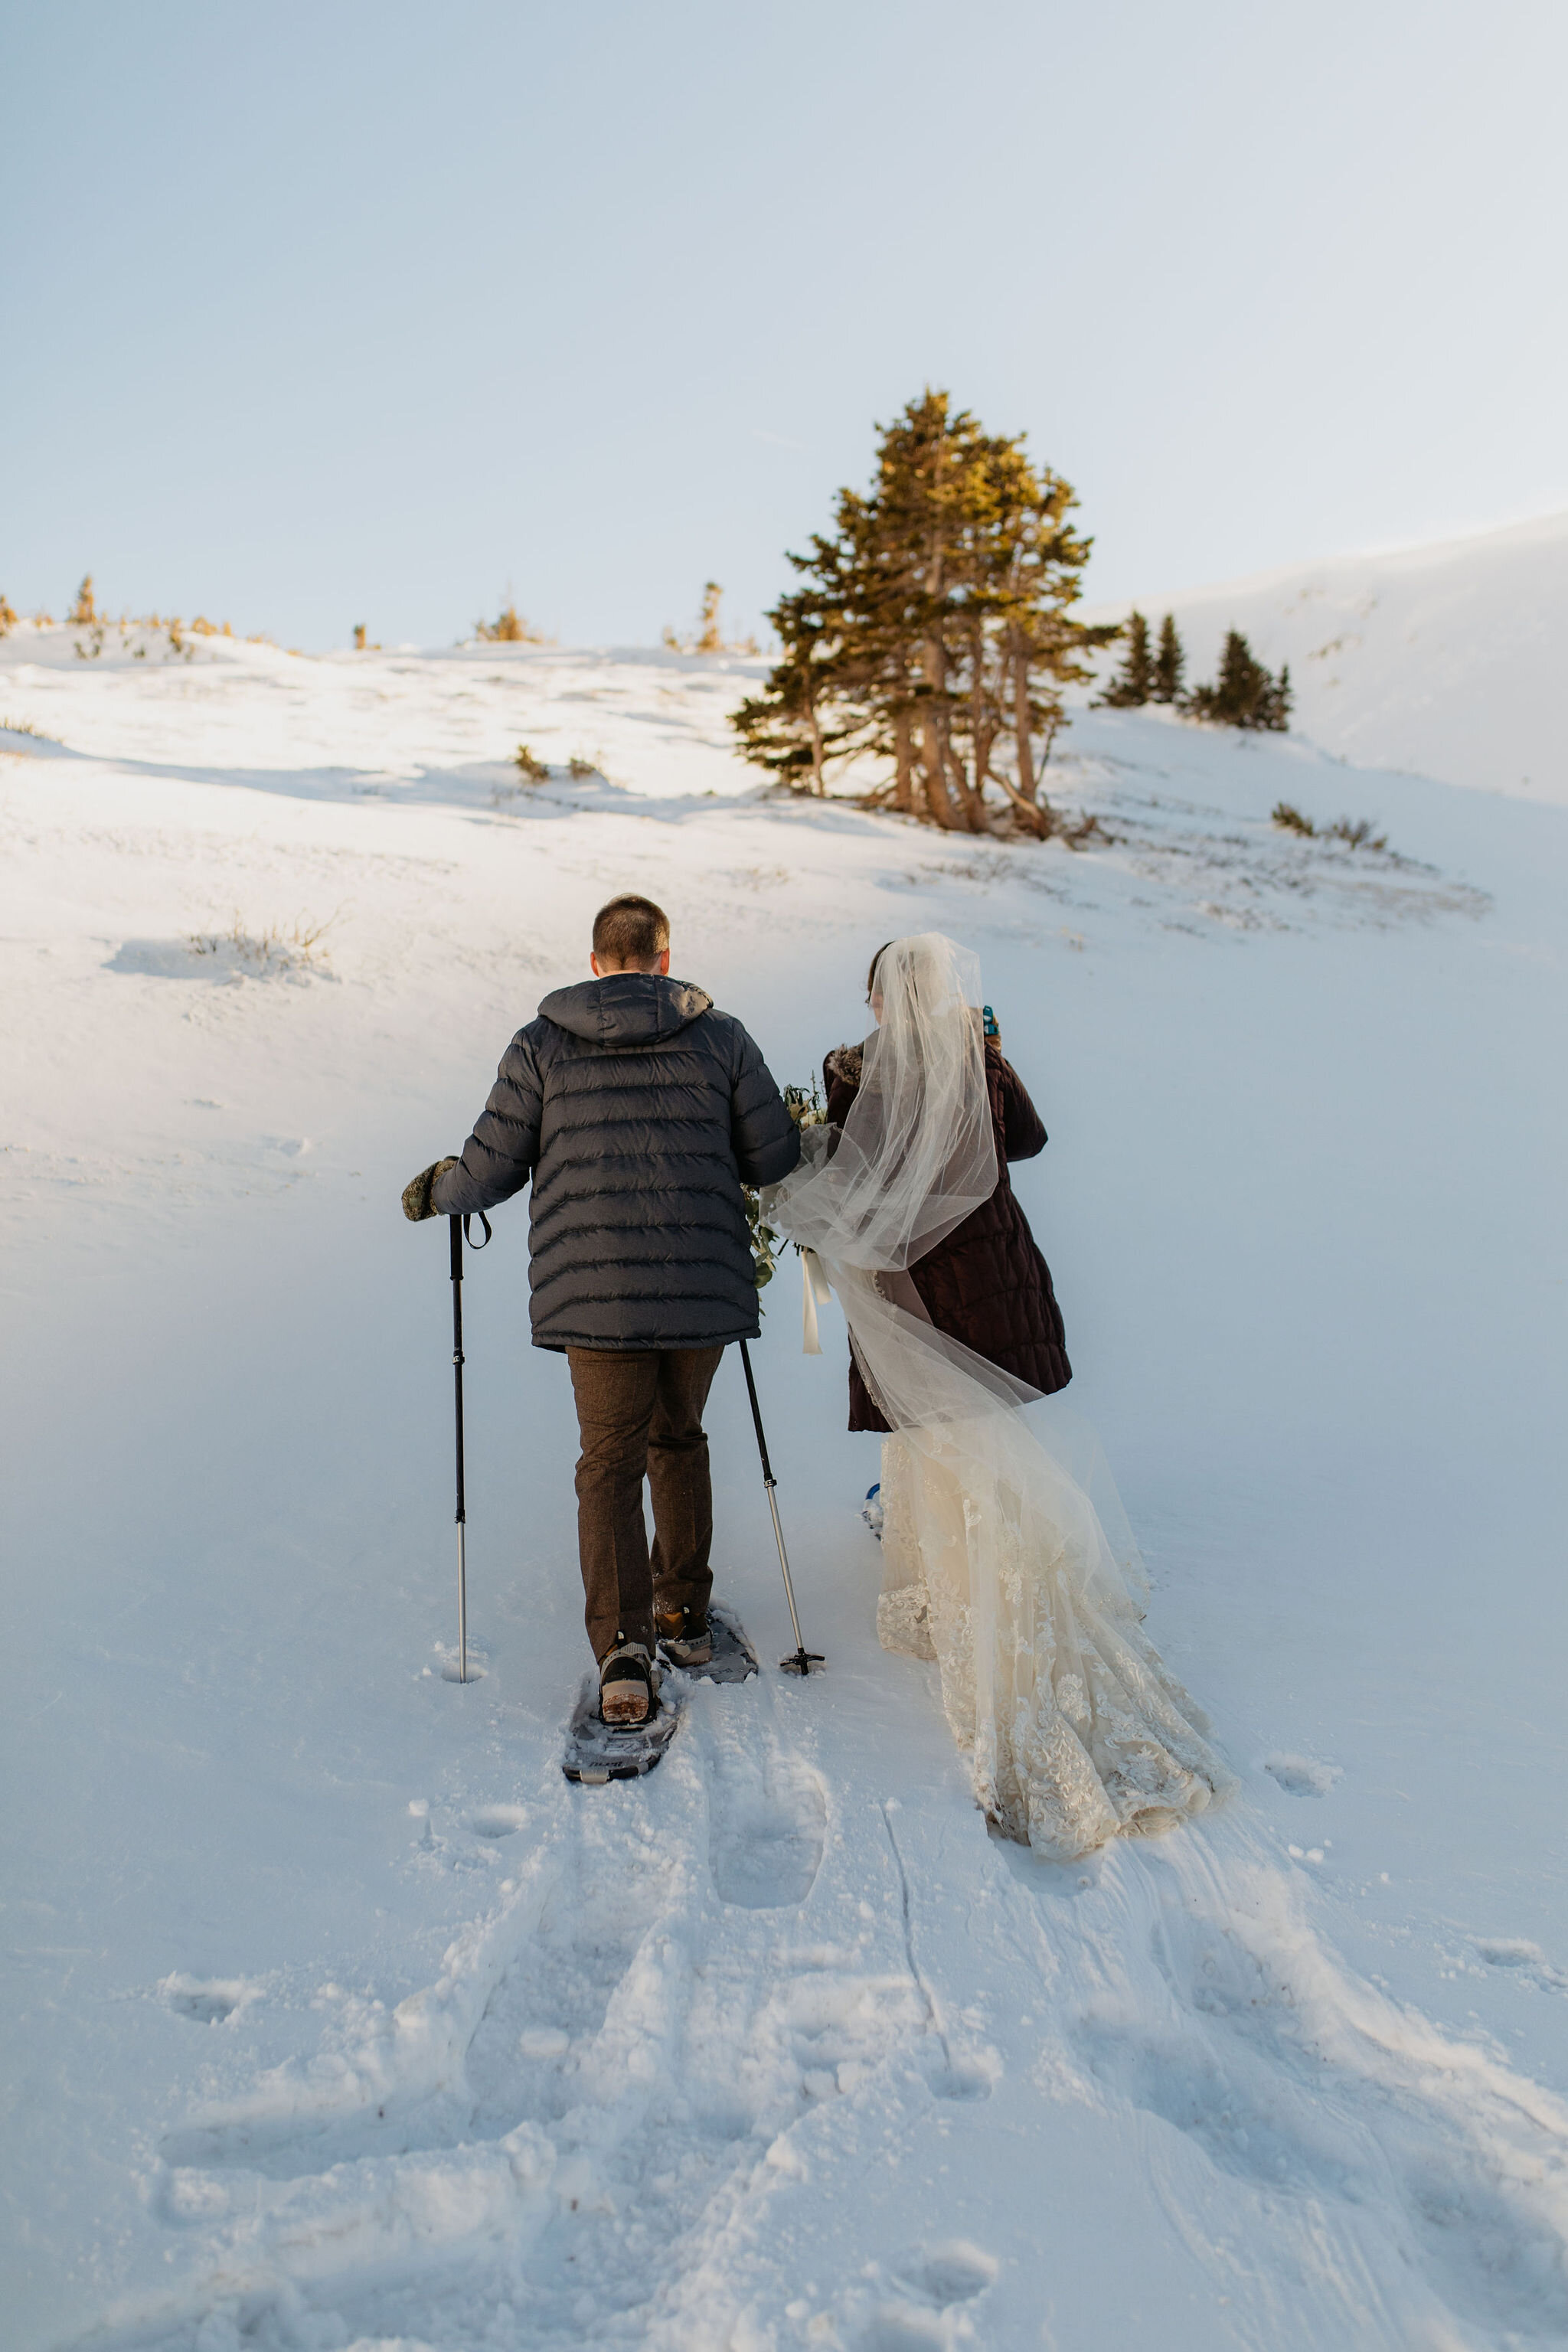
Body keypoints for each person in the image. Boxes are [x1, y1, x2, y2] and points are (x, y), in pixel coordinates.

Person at [766, 932, 1233, 1859]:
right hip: (987, 1267)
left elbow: (856, 1171)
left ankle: (957, 1573)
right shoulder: (972, 1060)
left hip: (914, 1285)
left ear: (874, 1001)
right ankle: (986, 1550)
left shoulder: (855, 1069)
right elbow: (1025, 1139)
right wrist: (988, 1052)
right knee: (974, 1427)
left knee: (937, 1431)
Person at [401, 894, 800, 1727]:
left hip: (597, 1295)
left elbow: (489, 1170)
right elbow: (772, 1158)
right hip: (701, 1284)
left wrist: (437, 1192)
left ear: (595, 963)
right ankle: (682, 1613)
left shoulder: (540, 1045)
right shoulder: (721, 1037)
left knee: (608, 1462)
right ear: (663, 959)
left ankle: (623, 1653)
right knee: (678, 1435)